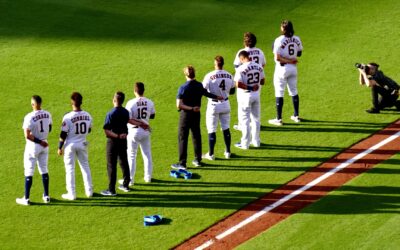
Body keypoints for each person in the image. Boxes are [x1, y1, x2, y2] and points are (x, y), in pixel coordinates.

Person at [171, 65, 222, 170]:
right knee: (196, 136)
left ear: (185, 74)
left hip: (186, 115)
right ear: (194, 73)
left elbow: (179, 105)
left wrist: (191, 108)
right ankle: (198, 160)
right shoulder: (199, 85)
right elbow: (206, 93)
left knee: (182, 138)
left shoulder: (183, 87)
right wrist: (217, 97)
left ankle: (182, 163)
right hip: (196, 114)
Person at [16, 95, 52, 205]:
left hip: (33, 145)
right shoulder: (48, 114)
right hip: (45, 144)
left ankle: (26, 198)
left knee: (29, 170)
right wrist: (42, 138)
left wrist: (38, 139)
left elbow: (27, 135)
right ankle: (46, 196)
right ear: (41, 103)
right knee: (44, 169)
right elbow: (49, 128)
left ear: (33, 104)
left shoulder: (29, 117)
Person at [58, 92, 93, 200]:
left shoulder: (67, 117)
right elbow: (89, 130)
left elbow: (63, 134)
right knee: (85, 167)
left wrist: (60, 147)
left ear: (71, 102)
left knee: (70, 169)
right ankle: (89, 191)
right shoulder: (88, 115)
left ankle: (71, 194)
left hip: (70, 145)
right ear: (81, 102)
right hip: (82, 143)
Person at [269, 20, 303, 126]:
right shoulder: (297, 39)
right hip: (293, 69)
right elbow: (299, 53)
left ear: (283, 29)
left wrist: (288, 60)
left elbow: (277, 58)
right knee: (294, 91)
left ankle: (279, 119)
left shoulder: (279, 40)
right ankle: (296, 116)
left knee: (279, 92)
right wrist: (292, 59)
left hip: (282, 69)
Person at [202, 56, 235, 160]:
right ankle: (228, 152)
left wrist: (215, 95)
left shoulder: (209, 75)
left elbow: (203, 91)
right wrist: (224, 93)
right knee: (226, 128)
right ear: (223, 64)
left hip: (213, 105)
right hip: (225, 104)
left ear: (215, 64)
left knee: (212, 129)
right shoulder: (229, 75)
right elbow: (233, 91)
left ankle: (211, 154)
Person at [124, 82, 156, 185]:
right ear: (143, 90)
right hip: (145, 131)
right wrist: (143, 119)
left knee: (132, 155)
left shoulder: (130, 103)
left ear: (134, 91)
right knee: (147, 154)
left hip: (133, 131)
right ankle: (148, 177)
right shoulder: (150, 102)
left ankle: (130, 180)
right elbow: (152, 116)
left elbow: (127, 119)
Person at [233, 32, 266, 131]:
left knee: (242, 104)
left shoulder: (242, 52)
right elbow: (263, 65)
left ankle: (241, 125)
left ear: (245, 42)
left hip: (244, 82)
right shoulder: (260, 51)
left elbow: (236, 66)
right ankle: (255, 124)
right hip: (257, 82)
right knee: (255, 104)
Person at [100, 92, 131, 196]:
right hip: (123, 140)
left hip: (113, 142)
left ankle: (111, 190)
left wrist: (116, 136)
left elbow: (107, 131)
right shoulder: (126, 112)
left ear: (114, 100)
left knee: (111, 165)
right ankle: (126, 184)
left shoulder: (110, 113)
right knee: (124, 161)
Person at [234, 50, 265, 150]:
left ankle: (245, 144)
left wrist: (250, 87)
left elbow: (238, 84)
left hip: (245, 96)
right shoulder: (259, 66)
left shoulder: (240, 68)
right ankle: (256, 142)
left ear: (242, 58)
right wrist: (255, 87)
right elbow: (263, 81)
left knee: (245, 120)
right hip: (256, 95)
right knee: (256, 119)